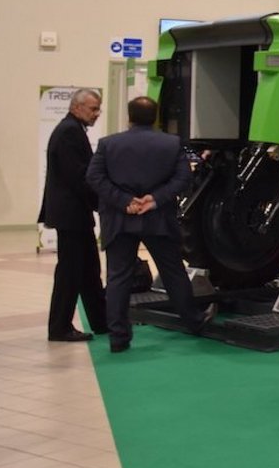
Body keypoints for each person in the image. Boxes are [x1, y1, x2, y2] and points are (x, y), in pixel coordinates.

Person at [87, 96, 211, 353]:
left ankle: (118, 338)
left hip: (120, 219)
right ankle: (194, 322)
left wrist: (125, 201)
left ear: (128, 116)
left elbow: (94, 177)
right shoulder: (171, 144)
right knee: (173, 272)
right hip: (159, 219)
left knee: (118, 277)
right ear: (155, 117)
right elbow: (183, 178)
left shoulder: (108, 144)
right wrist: (154, 199)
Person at [39, 88, 107, 342]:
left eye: (98, 108)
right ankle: (59, 327)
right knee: (70, 272)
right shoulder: (69, 132)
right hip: (71, 214)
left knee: (88, 269)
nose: (97, 114)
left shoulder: (72, 129)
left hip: (74, 213)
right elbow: (80, 177)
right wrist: (105, 202)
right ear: (76, 107)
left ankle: (100, 320)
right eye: (93, 108)